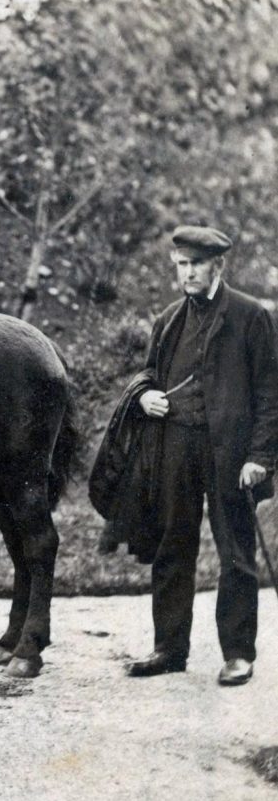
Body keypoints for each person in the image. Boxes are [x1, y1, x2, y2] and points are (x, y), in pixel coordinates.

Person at [114, 225, 278, 685]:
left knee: (235, 551)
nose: (187, 273)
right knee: (172, 545)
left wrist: (260, 456)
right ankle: (169, 647)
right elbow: (148, 372)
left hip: (231, 454)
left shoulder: (251, 317)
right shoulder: (168, 320)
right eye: (182, 265)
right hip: (177, 448)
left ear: (218, 266)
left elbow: (270, 394)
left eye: (196, 264)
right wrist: (145, 395)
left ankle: (238, 653)